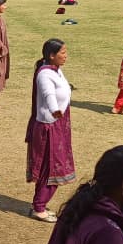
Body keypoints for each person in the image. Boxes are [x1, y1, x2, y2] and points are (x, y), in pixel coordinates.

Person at [25, 39, 75, 223]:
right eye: (62, 52)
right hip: (49, 127)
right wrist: (55, 110)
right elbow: (49, 95)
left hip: (58, 125)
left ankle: (39, 204)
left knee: (51, 167)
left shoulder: (56, 70)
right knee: (52, 169)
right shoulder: (45, 75)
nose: (66, 55)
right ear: (52, 55)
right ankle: (39, 208)